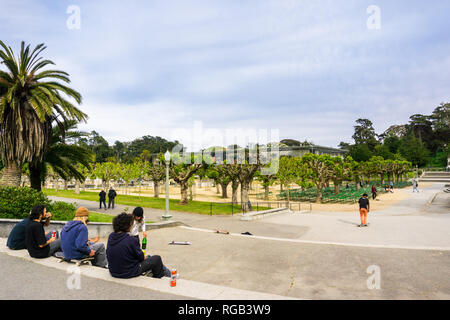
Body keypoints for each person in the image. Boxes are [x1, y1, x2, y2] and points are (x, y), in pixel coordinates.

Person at [106, 213, 170, 279]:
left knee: (149, 258)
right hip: (127, 272)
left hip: (113, 271)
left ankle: (169, 274)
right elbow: (141, 257)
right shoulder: (131, 240)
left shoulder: (111, 236)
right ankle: (164, 277)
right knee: (156, 259)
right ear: (127, 226)